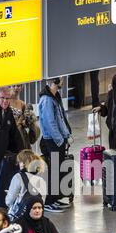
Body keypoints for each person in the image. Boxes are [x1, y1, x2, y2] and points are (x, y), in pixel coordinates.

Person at [38, 77, 72, 213]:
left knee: (58, 170)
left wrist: (67, 135)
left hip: (58, 139)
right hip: (52, 140)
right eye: (61, 78)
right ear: (55, 81)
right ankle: (49, 202)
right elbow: (50, 123)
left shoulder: (54, 96)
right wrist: (60, 140)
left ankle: (55, 199)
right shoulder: (47, 99)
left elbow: (61, 119)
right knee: (54, 172)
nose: (63, 80)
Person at [5, 149, 46, 219]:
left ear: (24, 163)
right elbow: (42, 201)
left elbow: (9, 201)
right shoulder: (42, 180)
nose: (19, 164)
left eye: (20, 161)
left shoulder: (18, 177)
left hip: (20, 217)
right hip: (36, 216)